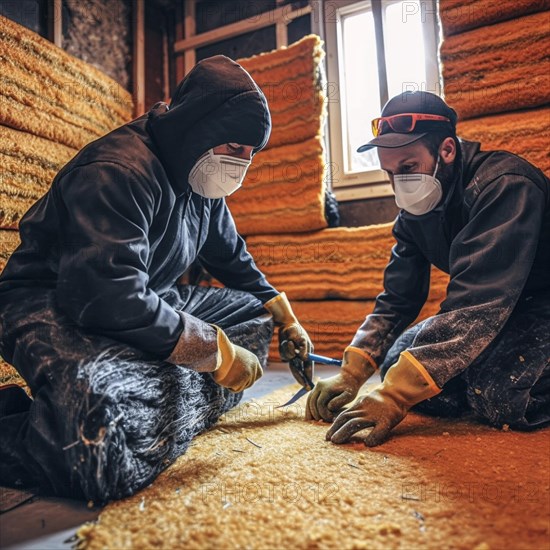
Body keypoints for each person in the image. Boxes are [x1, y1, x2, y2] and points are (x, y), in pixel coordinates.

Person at [0, 55, 312, 502]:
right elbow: (108, 299)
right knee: (96, 448)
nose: (242, 163)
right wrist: (215, 353)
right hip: (56, 304)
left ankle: (152, 386)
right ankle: (33, 421)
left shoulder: (200, 178)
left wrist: (283, 314)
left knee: (250, 312)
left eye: (250, 153)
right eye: (234, 147)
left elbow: (231, 257)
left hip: (145, 298)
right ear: (198, 128)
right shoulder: (117, 171)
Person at [307, 90, 550, 446]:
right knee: (397, 364)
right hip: (498, 311)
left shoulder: (505, 186)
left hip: (538, 304)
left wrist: (393, 396)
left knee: (502, 397)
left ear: (447, 151)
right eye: (389, 173)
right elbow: (397, 299)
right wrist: (351, 373)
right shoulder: (415, 214)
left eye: (408, 168)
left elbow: (475, 306)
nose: (399, 185)